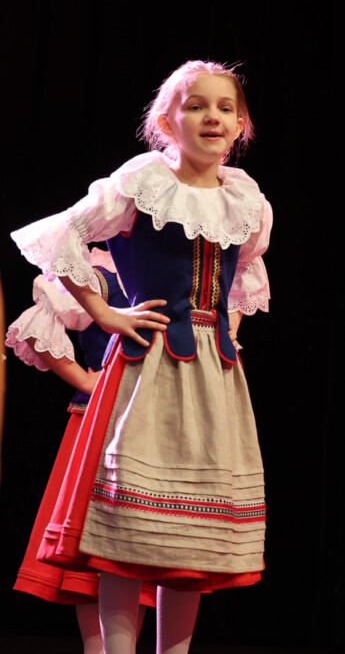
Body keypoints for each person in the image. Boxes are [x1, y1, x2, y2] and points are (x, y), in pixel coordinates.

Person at [10, 60, 272, 654]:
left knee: (190, 531)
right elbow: (63, 235)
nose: (212, 117)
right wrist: (105, 313)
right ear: (166, 121)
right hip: (147, 365)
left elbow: (246, 272)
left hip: (212, 373)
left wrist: (224, 330)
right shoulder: (144, 182)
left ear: (240, 125)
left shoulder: (246, 198)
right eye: (196, 105)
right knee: (125, 527)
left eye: (225, 108)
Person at [6, 248, 153, 653]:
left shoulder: (168, 269)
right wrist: (88, 382)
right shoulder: (97, 272)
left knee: (137, 545)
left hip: (152, 418)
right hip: (99, 422)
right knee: (89, 545)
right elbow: (35, 328)